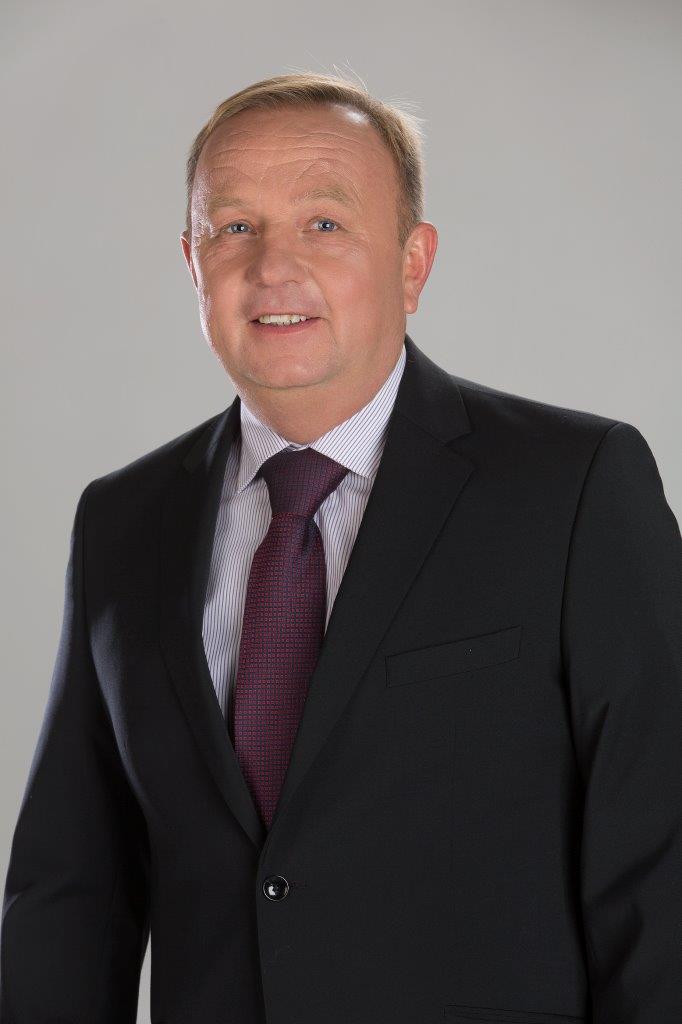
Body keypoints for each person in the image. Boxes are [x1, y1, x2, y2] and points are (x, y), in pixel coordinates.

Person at [1, 72, 681, 1024]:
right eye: (235, 227)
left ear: (413, 263)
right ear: (193, 264)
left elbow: (662, 867)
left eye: (325, 223)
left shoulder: (574, 489)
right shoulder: (122, 521)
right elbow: (71, 894)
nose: (273, 265)